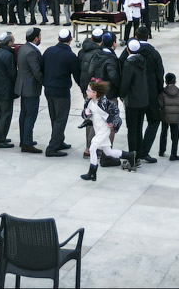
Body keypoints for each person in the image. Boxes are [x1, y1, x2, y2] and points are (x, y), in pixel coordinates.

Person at [78, 80, 136, 181]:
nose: (86, 92)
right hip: (98, 129)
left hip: (104, 130)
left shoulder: (104, 102)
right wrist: (85, 114)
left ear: (95, 93)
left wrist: (113, 122)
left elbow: (115, 112)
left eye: (89, 90)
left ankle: (92, 172)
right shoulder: (89, 102)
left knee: (92, 147)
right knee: (108, 152)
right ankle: (129, 155)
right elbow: (86, 115)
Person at [43, 28, 79, 157]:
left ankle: (59, 141)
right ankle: (52, 148)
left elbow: (42, 68)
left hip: (48, 89)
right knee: (60, 119)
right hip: (61, 91)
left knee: (54, 117)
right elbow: (76, 74)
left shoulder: (48, 51)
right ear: (70, 39)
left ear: (58, 39)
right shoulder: (70, 55)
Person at [119, 39, 151, 162]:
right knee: (139, 127)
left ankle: (132, 155)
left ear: (128, 49)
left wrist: (122, 94)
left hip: (132, 100)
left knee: (131, 129)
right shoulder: (142, 61)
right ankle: (138, 152)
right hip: (143, 98)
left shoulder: (129, 63)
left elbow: (126, 82)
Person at [15, 27, 44, 153]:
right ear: (36, 38)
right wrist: (45, 82)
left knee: (24, 114)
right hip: (30, 87)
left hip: (23, 86)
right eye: (40, 35)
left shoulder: (23, 48)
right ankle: (27, 143)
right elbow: (36, 71)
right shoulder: (32, 52)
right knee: (30, 115)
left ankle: (24, 139)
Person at [158, 73, 179, 161]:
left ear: (165, 81)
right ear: (175, 81)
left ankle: (161, 150)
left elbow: (160, 104)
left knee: (163, 133)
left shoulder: (162, 93)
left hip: (165, 117)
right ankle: (173, 154)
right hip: (176, 119)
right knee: (175, 135)